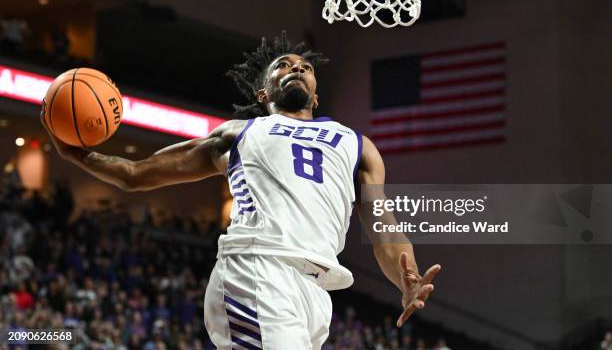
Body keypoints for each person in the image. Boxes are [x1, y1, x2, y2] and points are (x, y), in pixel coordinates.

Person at [41, 32, 441, 349]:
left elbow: (384, 230)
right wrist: (79, 156)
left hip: (316, 292)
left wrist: (403, 279)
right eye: (283, 65)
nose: (295, 67)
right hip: (257, 270)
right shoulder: (239, 133)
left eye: (304, 66)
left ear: (316, 94)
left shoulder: (357, 145)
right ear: (263, 94)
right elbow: (135, 173)